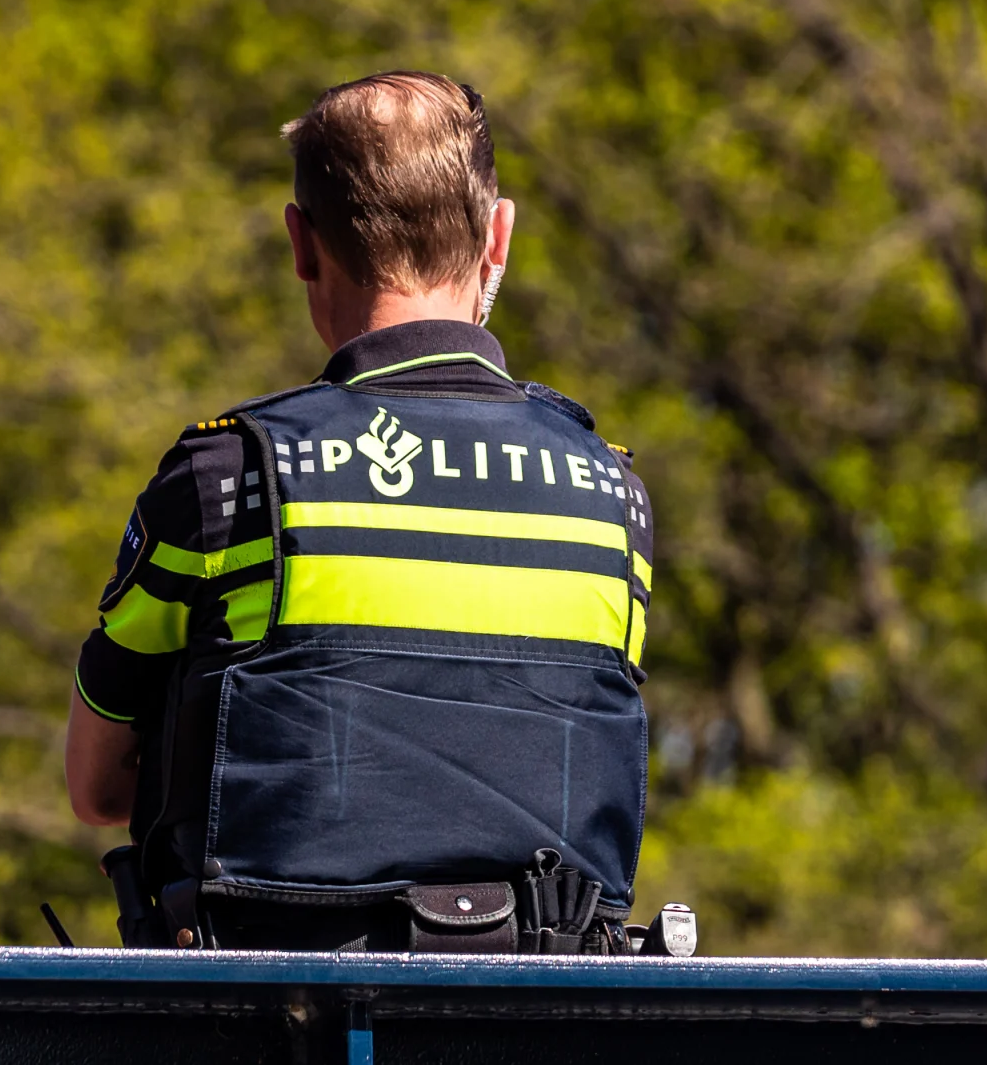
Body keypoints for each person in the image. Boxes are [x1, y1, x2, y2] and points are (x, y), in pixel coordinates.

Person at [64, 71, 653, 951]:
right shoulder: (612, 502)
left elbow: (97, 788)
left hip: (267, 1035)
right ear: (500, 237)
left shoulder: (230, 473)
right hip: (540, 1039)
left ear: (301, 243)